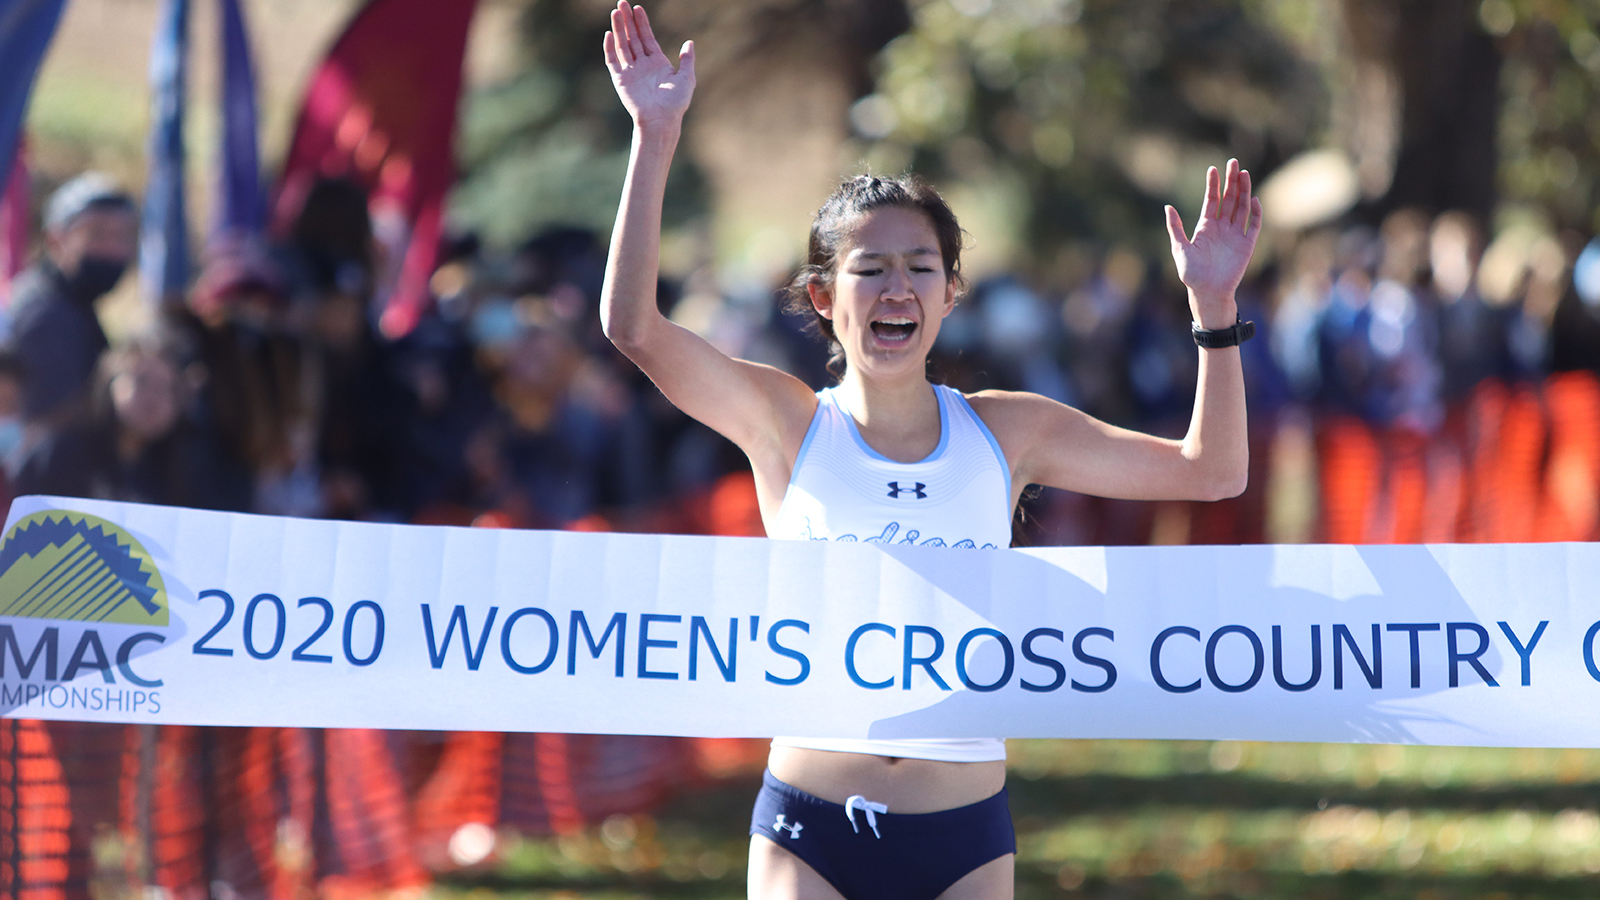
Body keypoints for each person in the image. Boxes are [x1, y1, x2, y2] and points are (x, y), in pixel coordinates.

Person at [598, 3, 1260, 898]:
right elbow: (633, 327)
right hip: (808, 830)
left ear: (951, 294)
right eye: (869, 269)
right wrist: (655, 137)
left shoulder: (1007, 432)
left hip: (965, 839)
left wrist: (1214, 314)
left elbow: (1212, 472)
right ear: (823, 297)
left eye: (919, 268)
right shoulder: (785, 423)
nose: (896, 288)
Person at [7, 173, 138, 430]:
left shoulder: (72, 301)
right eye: (96, 234)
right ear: (56, 239)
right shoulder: (47, 316)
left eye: (121, 236)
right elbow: (55, 427)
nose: (112, 249)